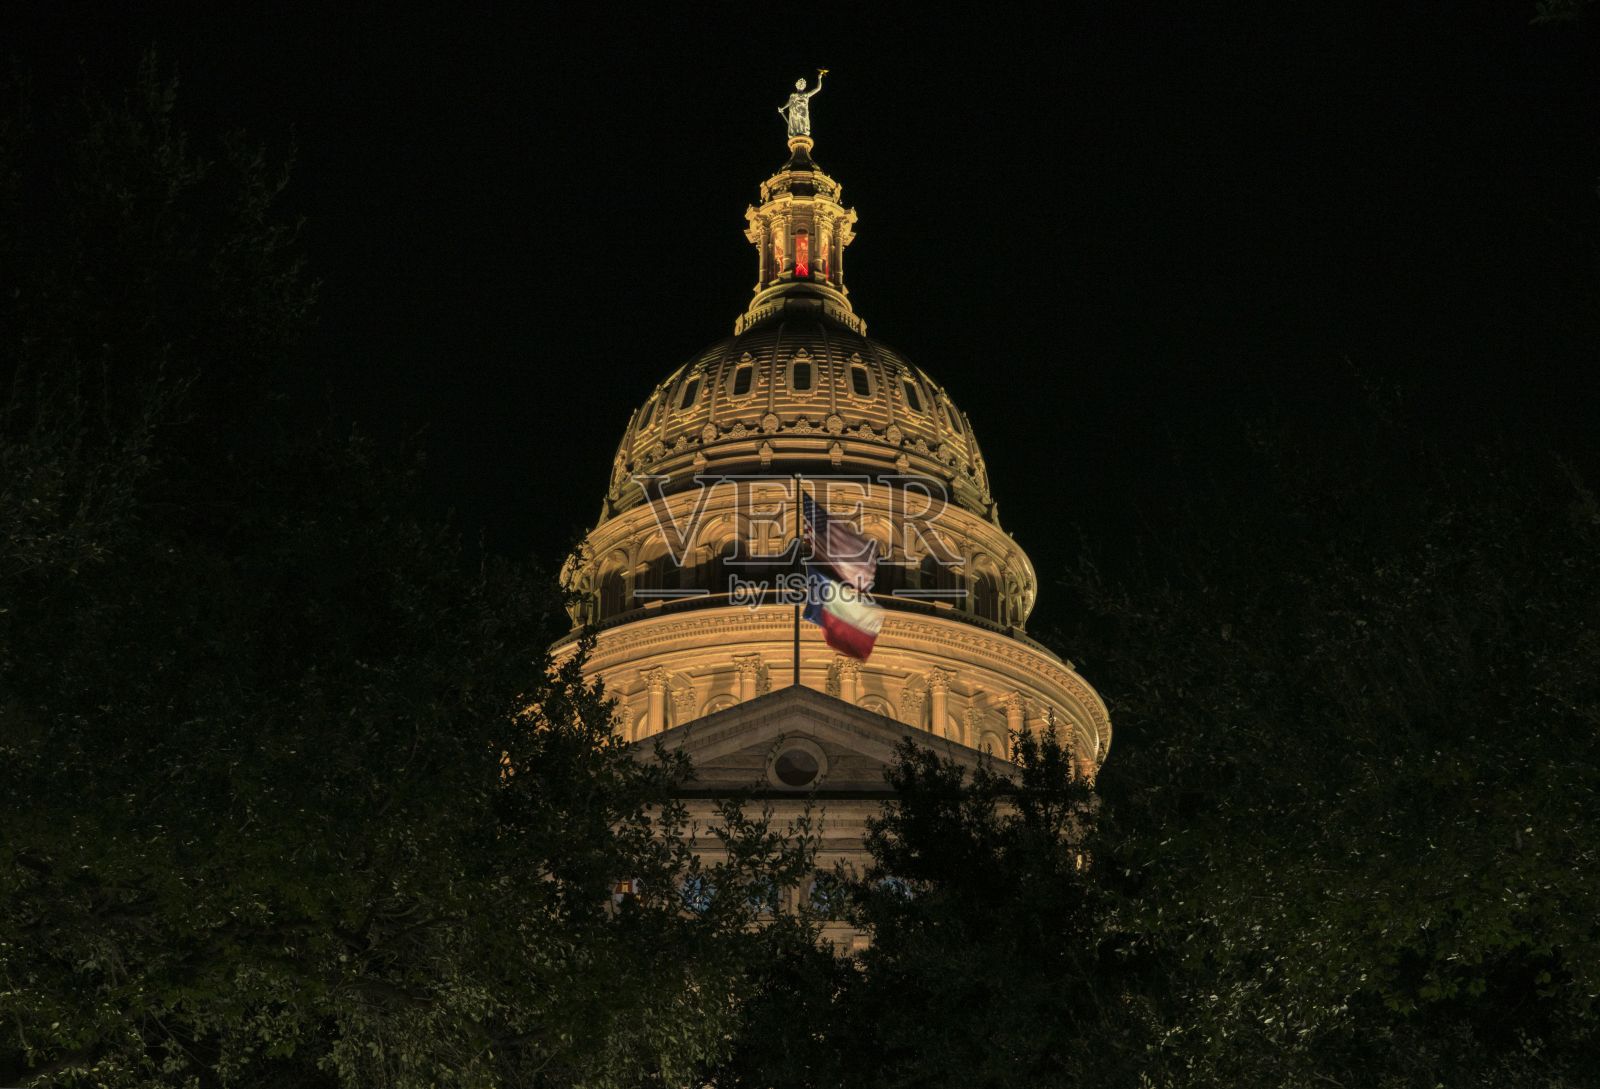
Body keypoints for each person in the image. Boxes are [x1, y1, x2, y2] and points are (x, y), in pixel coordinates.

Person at [778, 69, 828, 137]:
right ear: (797, 85)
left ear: (804, 86)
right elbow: (789, 103)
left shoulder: (806, 95)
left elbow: (818, 88)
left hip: (803, 112)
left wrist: (819, 79)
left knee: (803, 123)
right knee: (795, 122)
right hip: (795, 112)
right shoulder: (793, 95)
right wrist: (783, 108)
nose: (801, 85)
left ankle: (803, 133)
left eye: (803, 84)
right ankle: (796, 133)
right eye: (800, 84)